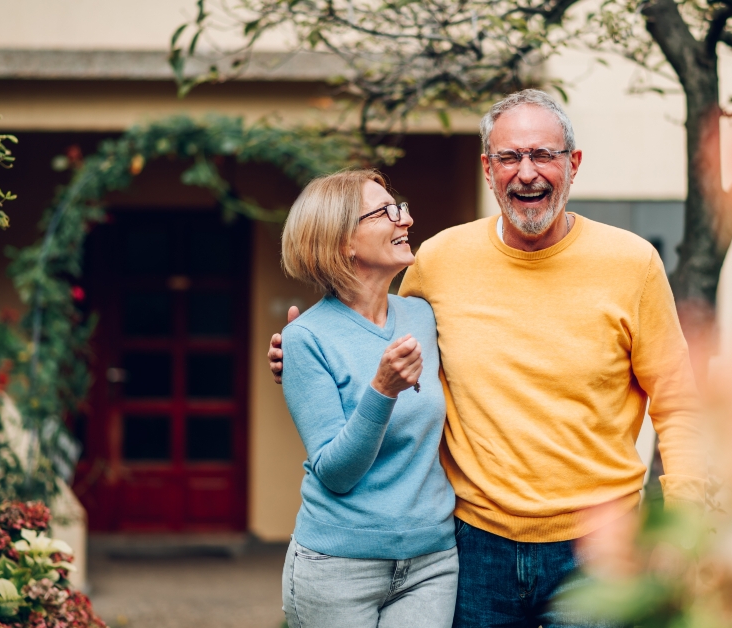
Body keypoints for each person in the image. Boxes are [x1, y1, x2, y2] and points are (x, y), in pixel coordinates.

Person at [271, 90, 705, 628]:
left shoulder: (633, 263)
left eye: (543, 154)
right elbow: (375, 335)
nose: (526, 173)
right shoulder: (439, 260)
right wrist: (301, 356)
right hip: (471, 548)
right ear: (487, 169)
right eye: (509, 157)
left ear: (573, 164)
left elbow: (677, 402)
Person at [276, 169, 458, 628]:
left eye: (402, 207)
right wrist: (382, 391)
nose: (408, 219)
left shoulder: (423, 316)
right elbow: (335, 475)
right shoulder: (306, 338)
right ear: (343, 243)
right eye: (387, 212)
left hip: (431, 561)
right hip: (337, 566)